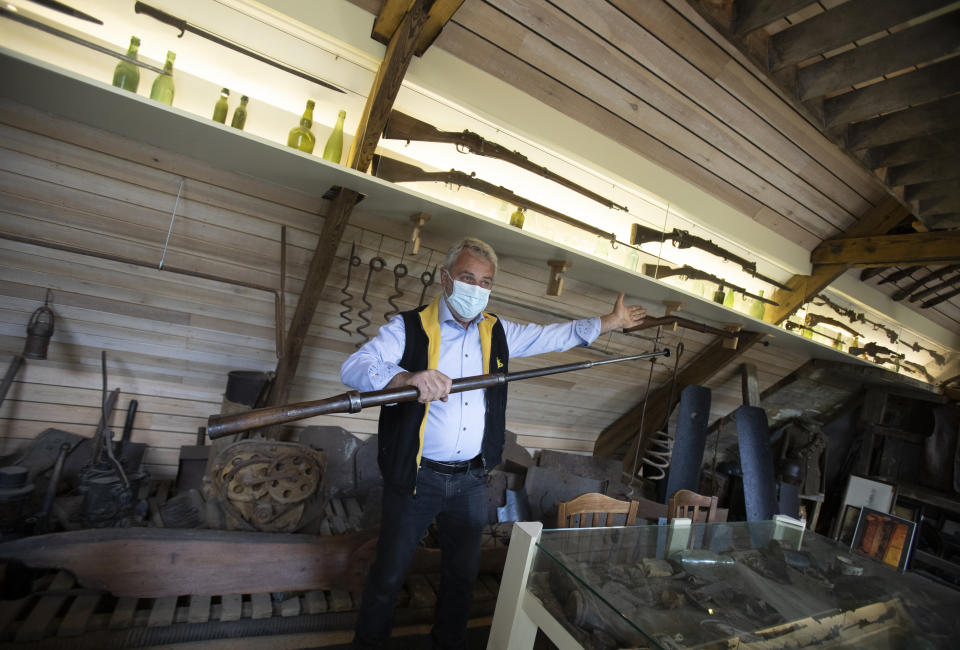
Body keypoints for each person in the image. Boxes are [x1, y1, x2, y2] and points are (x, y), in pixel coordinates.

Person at [341, 237, 647, 649]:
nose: (476, 288)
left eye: (485, 281)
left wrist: (607, 324)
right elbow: (356, 367)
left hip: (470, 479)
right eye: (468, 278)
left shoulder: (497, 331)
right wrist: (404, 378)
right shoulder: (408, 328)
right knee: (388, 576)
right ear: (447, 279)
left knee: (461, 578)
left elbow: (551, 336)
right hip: (416, 478)